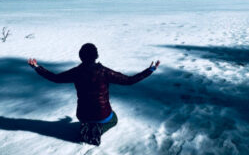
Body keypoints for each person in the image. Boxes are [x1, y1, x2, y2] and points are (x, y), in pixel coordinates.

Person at [27, 43, 160, 145]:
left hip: (82, 115)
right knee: (114, 119)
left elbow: (55, 78)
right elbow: (129, 81)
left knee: (89, 117)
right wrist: (151, 69)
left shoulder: (76, 72)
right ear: (96, 56)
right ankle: (98, 130)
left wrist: (37, 67)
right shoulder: (104, 72)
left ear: (81, 56)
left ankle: (87, 127)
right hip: (102, 114)